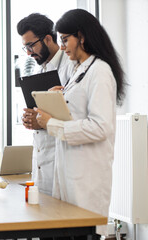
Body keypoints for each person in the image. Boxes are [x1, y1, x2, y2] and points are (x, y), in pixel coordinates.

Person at [35, 9, 126, 237]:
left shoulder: (100, 72)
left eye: (65, 39)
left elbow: (100, 126)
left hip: (86, 182)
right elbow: (78, 112)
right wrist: (60, 97)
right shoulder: (79, 71)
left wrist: (51, 124)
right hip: (68, 177)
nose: (62, 46)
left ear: (82, 37)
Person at [17, 13, 73, 196]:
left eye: (31, 45)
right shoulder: (39, 68)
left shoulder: (70, 67)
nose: (28, 53)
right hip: (42, 157)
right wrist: (29, 118)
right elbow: (38, 112)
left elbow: (74, 115)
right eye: (25, 47)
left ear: (48, 38)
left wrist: (41, 119)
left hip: (63, 158)